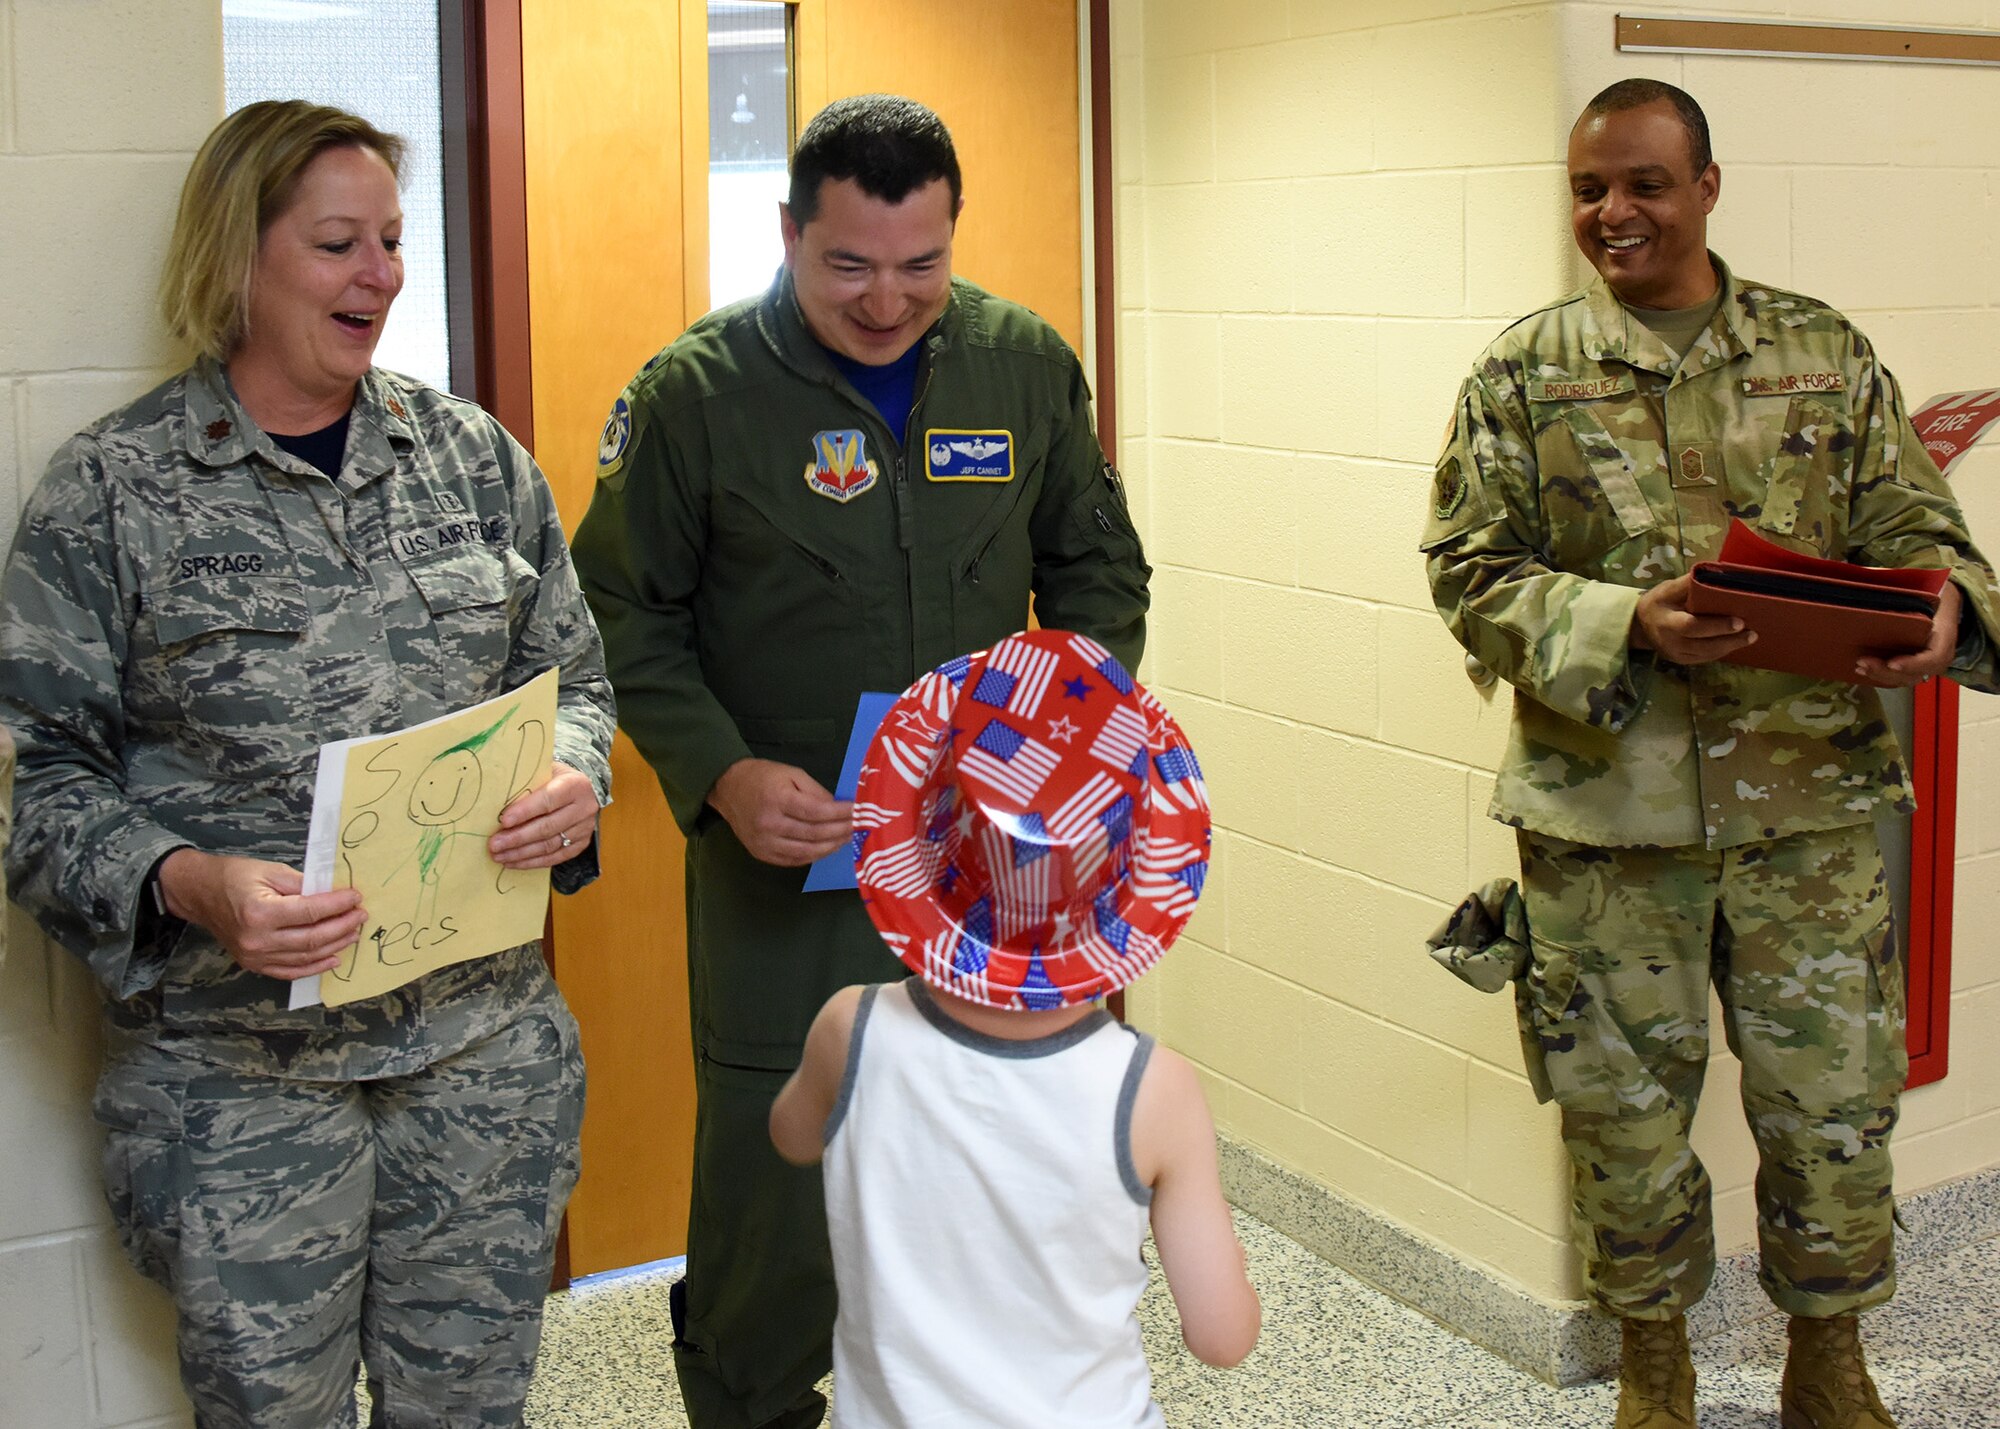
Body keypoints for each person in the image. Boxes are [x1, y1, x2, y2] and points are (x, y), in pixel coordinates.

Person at [0, 100, 615, 1428]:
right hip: (241, 1095)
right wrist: (190, 879)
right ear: (237, 260)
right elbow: (36, 784)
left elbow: (572, 681)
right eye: (340, 242)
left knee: (471, 1412)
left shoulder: (470, 461)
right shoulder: (112, 493)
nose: (381, 273)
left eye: (391, 240)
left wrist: (574, 778)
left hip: (480, 1059)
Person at [1422, 78, 2000, 1429]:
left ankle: (1827, 1359)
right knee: (1619, 1120)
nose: (1612, 213)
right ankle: (1655, 1370)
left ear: (1708, 187)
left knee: (1834, 1111)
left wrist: (1945, 610)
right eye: (1587, 190)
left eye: (1643, 185)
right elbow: (1467, 571)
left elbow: (1920, 530)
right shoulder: (1523, 370)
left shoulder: (1821, 350)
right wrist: (1629, 621)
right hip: (1605, 827)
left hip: (1812, 815)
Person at [570, 94, 1149, 1429]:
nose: (888, 301)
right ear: (787, 234)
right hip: (794, 873)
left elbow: (1100, 574)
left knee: (993, 1175)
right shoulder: (696, 395)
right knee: (776, 1206)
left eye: (920, 265)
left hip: (988, 870)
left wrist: (1058, 744)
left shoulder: (1023, 365)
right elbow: (620, 611)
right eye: (848, 265)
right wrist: (717, 772)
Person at [769, 629, 1259, 1426]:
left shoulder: (850, 1029)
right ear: (1130, 870)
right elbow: (1221, 1335)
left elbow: (792, 1135)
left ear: (926, 842)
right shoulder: (1151, 1090)